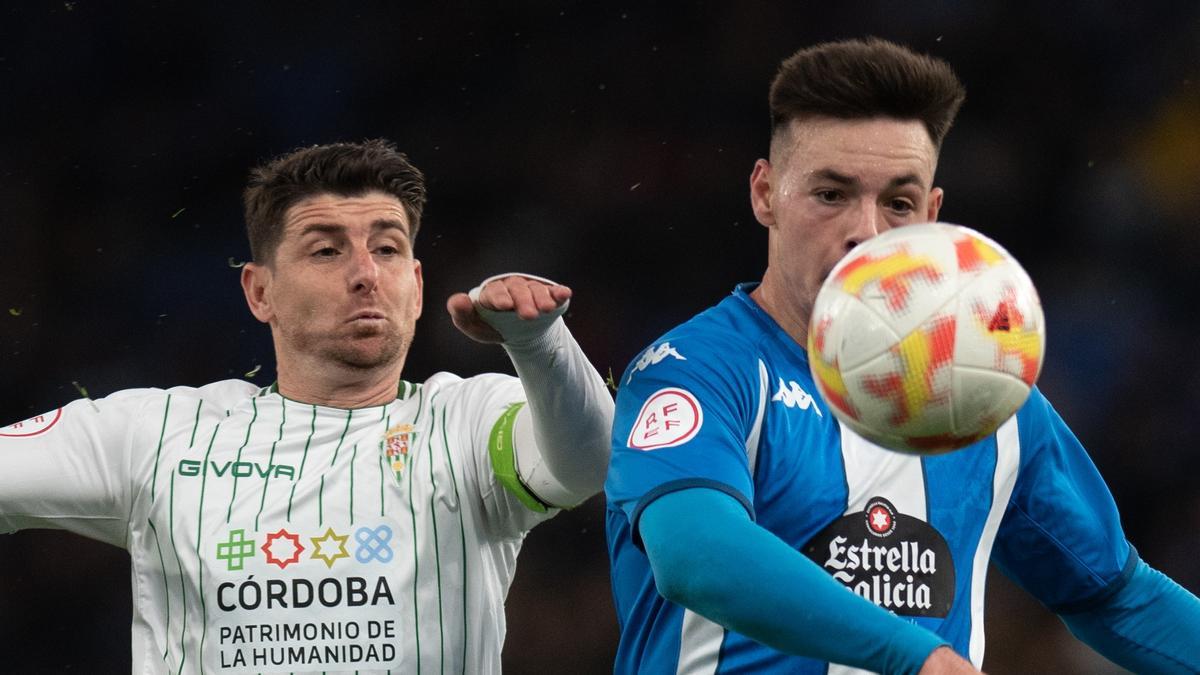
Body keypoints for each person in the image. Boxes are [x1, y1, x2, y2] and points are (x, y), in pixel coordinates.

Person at [605, 38, 1200, 674]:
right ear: (765, 193)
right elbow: (695, 555)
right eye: (831, 194)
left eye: (898, 202)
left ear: (932, 216)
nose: (867, 231)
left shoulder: (983, 396)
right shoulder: (698, 369)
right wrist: (913, 655)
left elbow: (1116, 596)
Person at [0, 139, 614, 674]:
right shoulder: (156, 434)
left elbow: (588, 464)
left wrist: (537, 342)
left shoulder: (468, 419)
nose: (366, 274)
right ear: (260, 291)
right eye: (327, 251)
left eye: (389, 248)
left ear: (419, 285)